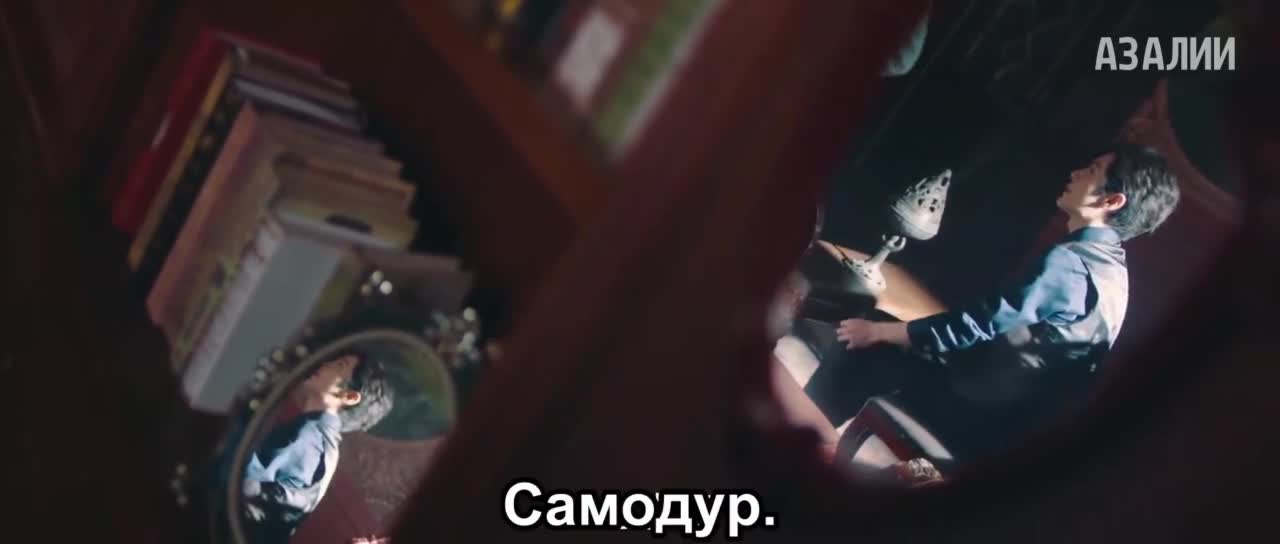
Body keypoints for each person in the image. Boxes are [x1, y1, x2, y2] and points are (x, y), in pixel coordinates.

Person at [817, 143, 1180, 464]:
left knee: (867, 341)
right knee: (901, 336)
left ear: (1112, 201)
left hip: (977, 413)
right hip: (1015, 427)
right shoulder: (1114, 275)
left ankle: (802, 450)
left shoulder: (1071, 264)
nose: (1076, 173)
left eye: (1092, 170)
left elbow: (977, 325)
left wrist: (879, 331)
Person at [241, 353, 394, 542]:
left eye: (339, 365)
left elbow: (243, 487)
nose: (325, 364)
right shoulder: (320, 439)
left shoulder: (309, 436)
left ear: (349, 396)